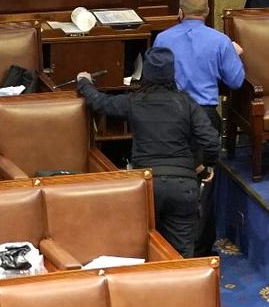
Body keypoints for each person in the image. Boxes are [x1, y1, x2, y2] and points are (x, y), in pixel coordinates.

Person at [76, 47, 220, 258]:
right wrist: (205, 166)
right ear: (172, 73)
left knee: (143, 248)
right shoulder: (187, 103)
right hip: (182, 186)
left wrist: (84, 83)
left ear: (146, 74)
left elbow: (100, 103)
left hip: (147, 184)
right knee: (180, 255)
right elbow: (211, 141)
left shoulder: (134, 101)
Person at [153, 0, 245, 257]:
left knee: (171, 175)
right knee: (205, 183)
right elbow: (236, 81)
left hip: (170, 117)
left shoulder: (163, 38)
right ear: (206, 13)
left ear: (179, 13)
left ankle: (166, 247)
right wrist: (234, 54)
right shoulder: (220, 41)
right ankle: (201, 251)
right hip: (204, 118)